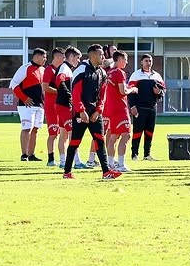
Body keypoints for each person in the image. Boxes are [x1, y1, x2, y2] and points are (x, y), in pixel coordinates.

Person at [63, 44, 120, 180]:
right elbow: (75, 94)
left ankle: (106, 172)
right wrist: (81, 111)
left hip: (95, 114)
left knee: (100, 141)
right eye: (101, 55)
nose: (103, 57)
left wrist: (98, 110)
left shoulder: (102, 72)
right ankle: (67, 172)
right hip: (80, 114)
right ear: (93, 55)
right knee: (75, 142)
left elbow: (103, 95)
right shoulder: (81, 70)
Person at [10, 48, 48, 163]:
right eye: (44, 57)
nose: (45, 59)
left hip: (39, 104)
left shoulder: (43, 69)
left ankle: (31, 154)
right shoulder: (25, 68)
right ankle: (24, 154)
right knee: (27, 128)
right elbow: (14, 84)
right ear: (36, 57)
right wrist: (24, 98)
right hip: (26, 105)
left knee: (36, 129)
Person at [54, 47, 88, 170]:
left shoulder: (68, 69)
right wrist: (70, 95)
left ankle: (63, 161)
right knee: (72, 133)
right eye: (77, 58)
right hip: (64, 105)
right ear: (71, 57)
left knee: (63, 134)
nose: (79, 60)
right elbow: (59, 81)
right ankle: (77, 162)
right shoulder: (64, 68)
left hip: (61, 104)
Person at [128, 54, 165, 160]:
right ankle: (134, 154)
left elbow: (163, 91)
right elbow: (130, 92)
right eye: (146, 61)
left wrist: (159, 92)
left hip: (152, 108)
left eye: (150, 61)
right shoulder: (136, 75)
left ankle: (147, 154)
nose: (148, 63)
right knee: (137, 131)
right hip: (139, 108)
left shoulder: (157, 76)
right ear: (141, 62)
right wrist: (132, 106)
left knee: (149, 132)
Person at [102, 50, 134, 172]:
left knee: (113, 136)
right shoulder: (119, 73)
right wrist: (132, 89)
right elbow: (123, 91)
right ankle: (121, 164)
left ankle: (110, 163)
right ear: (120, 59)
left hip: (110, 108)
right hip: (120, 108)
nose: (126, 62)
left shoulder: (109, 72)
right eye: (125, 59)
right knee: (126, 135)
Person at [42, 48, 66, 167]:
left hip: (60, 105)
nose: (64, 59)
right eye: (63, 57)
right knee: (53, 133)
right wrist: (60, 92)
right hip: (51, 106)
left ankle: (63, 157)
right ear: (57, 57)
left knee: (63, 132)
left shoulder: (60, 70)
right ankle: (51, 158)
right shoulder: (49, 70)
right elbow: (45, 87)